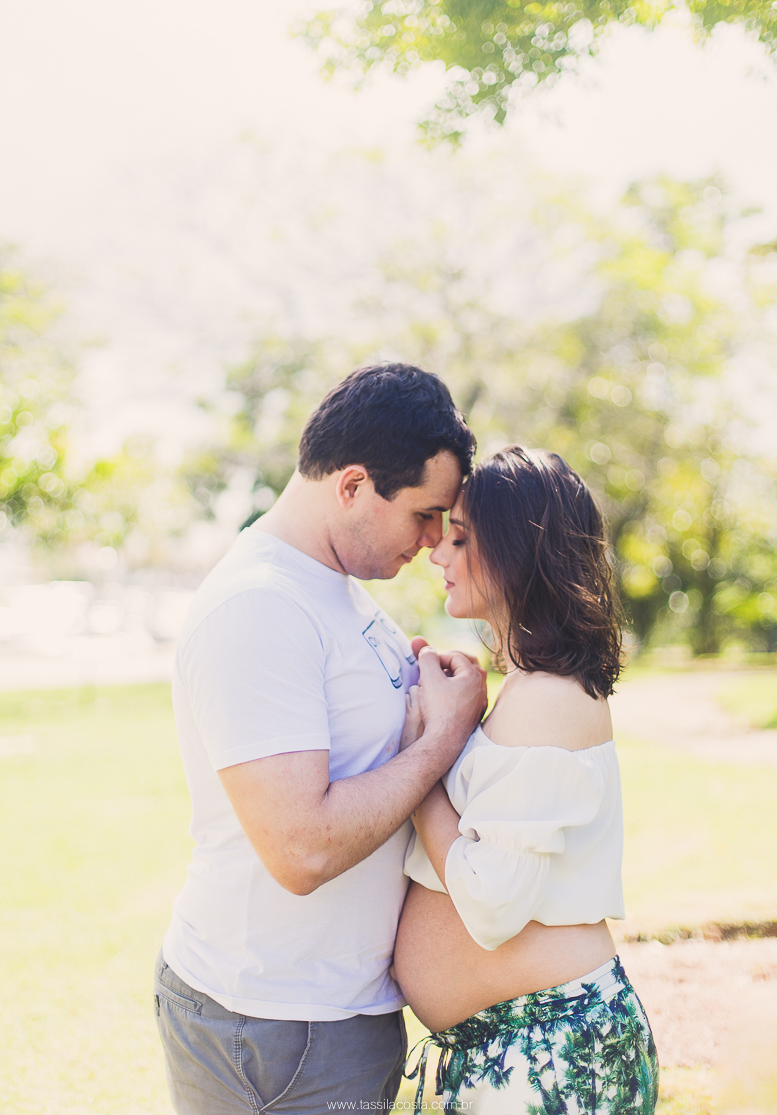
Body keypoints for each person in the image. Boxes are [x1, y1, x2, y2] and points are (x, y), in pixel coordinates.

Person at [154, 363, 488, 1115]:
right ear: (352, 486)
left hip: (332, 1012)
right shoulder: (259, 608)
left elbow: (368, 750)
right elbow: (301, 849)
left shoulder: (334, 587)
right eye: (424, 514)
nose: (436, 540)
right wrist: (441, 739)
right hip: (273, 1025)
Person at [394, 446, 659, 1114]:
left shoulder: (550, 695)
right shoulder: (530, 686)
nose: (437, 555)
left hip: (551, 1048)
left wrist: (421, 760)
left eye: (459, 539)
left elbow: (492, 905)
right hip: (523, 1046)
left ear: (515, 550)